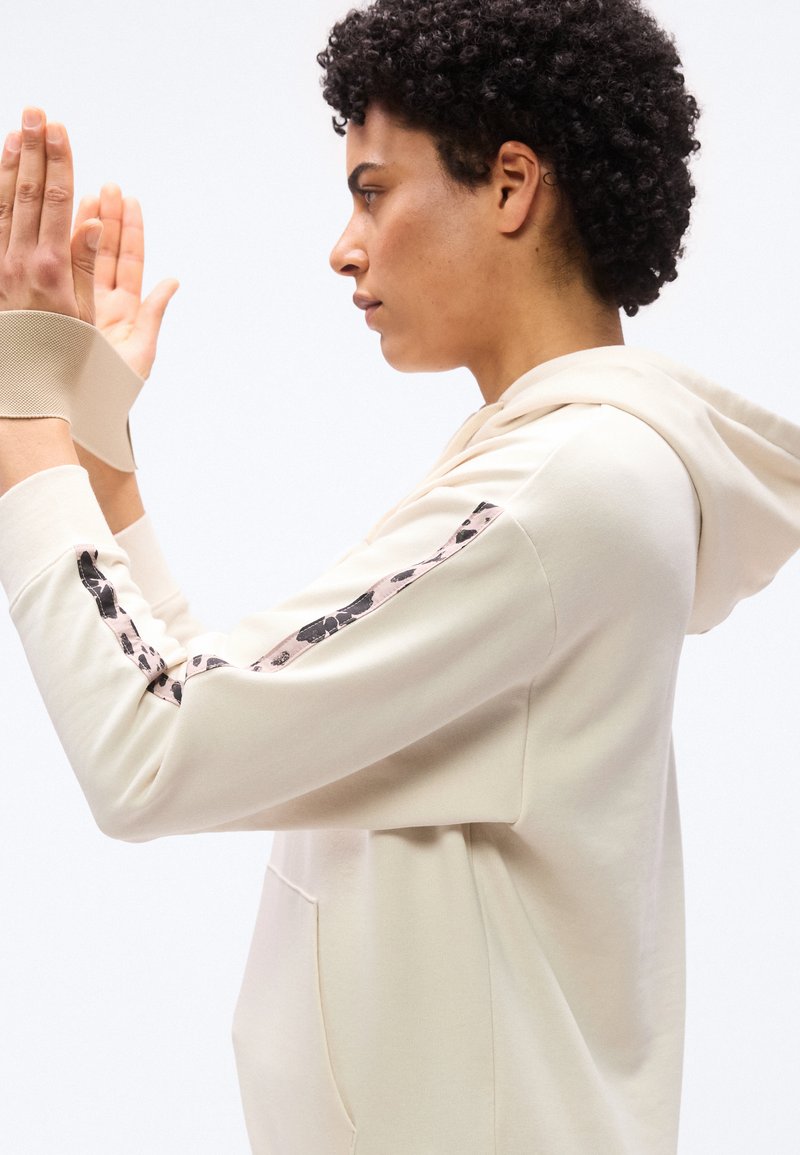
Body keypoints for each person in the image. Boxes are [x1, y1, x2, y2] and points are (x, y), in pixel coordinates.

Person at [0, 1, 798, 1152]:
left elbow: (148, 752)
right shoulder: (553, 469)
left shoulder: (560, 489)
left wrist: (22, 406)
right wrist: (88, 446)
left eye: (372, 191)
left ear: (511, 185)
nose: (344, 245)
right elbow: (212, 718)